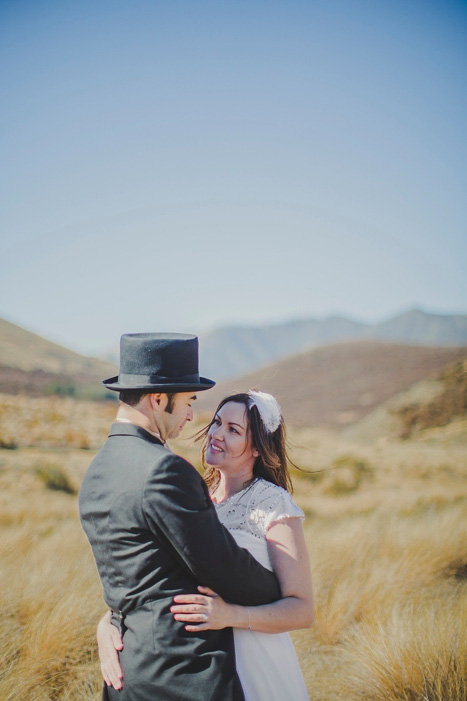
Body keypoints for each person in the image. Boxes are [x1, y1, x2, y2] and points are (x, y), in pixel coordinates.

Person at [79, 333, 283, 701]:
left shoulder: (96, 471)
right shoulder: (165, 471)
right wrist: (280, 591)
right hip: (182, 677)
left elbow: (134, 576)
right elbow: (225, 570)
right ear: (158, 399)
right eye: (188, 401)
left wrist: (109, 620)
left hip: (128, 674)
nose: (192, 415)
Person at [97, 388, 314, 700]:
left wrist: (231, 616)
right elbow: (155, 578)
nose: (216, 434)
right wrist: (108, 621)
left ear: (256, 449)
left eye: (233, 430)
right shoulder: (193, 497)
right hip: (195, 665)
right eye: (217, 422)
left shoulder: (273, 503)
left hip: (255, 659)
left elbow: (302, 610)